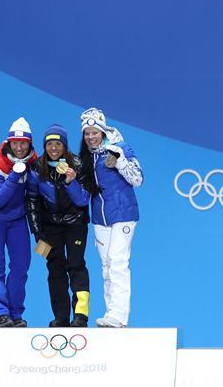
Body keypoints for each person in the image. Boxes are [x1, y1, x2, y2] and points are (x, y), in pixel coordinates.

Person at [78, 108, 143, 328]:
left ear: (103, 131)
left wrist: (120, 163)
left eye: (94, 132)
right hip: (100, 218)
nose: (91, 137)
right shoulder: (87, 157)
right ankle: (111, 314)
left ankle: (119, 315)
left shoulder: (120, 148)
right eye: (87, 133)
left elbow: (138, 179)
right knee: (106, 266)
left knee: (118, 262)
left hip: (123, 214)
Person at [26, 124, 91, 328]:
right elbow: (32, 201)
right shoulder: (37, 167)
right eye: (49, 144)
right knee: (54, 269)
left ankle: (80, 315)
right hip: (49, 227)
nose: (53, 148)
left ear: (64, 145)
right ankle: (61, 317)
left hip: (75, 224)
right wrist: (37, 233)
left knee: (76, 265)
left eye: (58, 144)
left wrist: (71, 181)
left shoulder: (78, 165)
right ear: (44, 146)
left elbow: (83, 201)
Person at [0, 118, 37, 327]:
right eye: (15, 143)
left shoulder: (34, 162)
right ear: (9, 143)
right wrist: (14, 174)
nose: (19, 148)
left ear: (29, 144)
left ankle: (15, 313)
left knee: (21, 266)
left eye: (23, 143)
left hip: (17, 220)